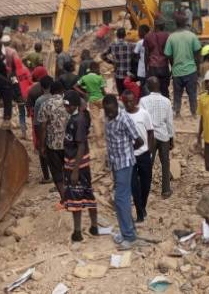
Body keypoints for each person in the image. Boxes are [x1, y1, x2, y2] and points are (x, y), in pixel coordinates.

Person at [104, 94, 144, 250]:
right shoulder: (108, 118)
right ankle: (128, 230)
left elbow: (139, 141)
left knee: (121, 199)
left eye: (112, 110)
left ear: (116, 106)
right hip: (115, 164)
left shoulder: (124, 119)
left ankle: (129, 237)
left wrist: (128, 152)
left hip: (125, 164)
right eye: (107, 111)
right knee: (121, 199)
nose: (110, 113)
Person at [63, 90, 99, 242]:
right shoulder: (76, 118)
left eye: (68, 105)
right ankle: (92, 227)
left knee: (77, 198)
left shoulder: (78, 121)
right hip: (75, 164)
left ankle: (80, 231)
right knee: (85, 194)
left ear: (75, 105)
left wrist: (75, 170)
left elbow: (81, 146)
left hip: (77, 165)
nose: (66, 108)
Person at [123, 90, 154, 223]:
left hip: (144, 154)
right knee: (134, 186)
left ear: (135, 100)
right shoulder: (122, 116)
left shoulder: (143, 114)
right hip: (129, 156)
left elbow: (150, 132)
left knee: (146, 184)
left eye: (131, 101)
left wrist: (150, 151)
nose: (129, 104)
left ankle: (142, 207)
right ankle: (139, 213)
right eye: (126, 102)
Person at [141, 76, 175, 198]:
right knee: (165, 163)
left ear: (148, 87)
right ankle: (166, 190)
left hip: (150, 136)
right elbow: (169, 121)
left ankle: (145, 188)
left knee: (148, 162)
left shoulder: (143, 101)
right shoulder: (166, 101)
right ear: (159, 86)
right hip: (163, 135)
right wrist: (171, 137)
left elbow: (142, 120)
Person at [165, 13, 202, 118]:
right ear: (186, 23)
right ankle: (194, 113)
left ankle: (177, 112)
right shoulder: (192, 36)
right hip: (191, 70)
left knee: (177, 94)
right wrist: (197, 67)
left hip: (177, 71)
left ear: (175, 24)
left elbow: (168, 55)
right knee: (192, 94)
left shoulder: (171, 37)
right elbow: (198, 52)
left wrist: (173, 65)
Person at [38, 81, 70, 201]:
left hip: (52, 144)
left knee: (56, 172)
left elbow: (43, 127)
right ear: (62, 91)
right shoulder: (68, 103)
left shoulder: (46, 104)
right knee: (68, 168)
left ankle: (63, 197)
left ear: (51, 91)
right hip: (68, 143)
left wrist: (41, 145)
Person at [33, 76, 55, 184]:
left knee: (43, 153)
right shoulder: (58, 98)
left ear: (42, 87)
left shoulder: (39, 101)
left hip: (44, 131)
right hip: (57, 131)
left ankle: (47, 177)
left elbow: (37, 122)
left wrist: (38, 139)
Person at [144, 18, 171, 98]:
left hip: (152, 67)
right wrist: (172, 67)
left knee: (152, 90)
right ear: (162, 26)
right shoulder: (167, 35)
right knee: (165, 90)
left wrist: (146, 69)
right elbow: (169, 53)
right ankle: (166, 106)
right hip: (164, 66)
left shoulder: (147, 36)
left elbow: (146, 54)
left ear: (155, 25)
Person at [101, 27, 133, 94]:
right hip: (128, 74)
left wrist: (112, 62)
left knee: (121, 94)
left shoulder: (112, 45)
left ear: (117, 35)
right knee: (128, 93)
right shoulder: (130, 45)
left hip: (118, 74)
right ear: (125, 35)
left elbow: (103, 55)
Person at [133, 24, 150, 89]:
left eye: (139, 31)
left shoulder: (140, 42)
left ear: (144, 32)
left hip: (141, 71)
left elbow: (135, 54)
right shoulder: (151, 41)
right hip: (150, 71)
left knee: (142, 89)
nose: (138, 33)